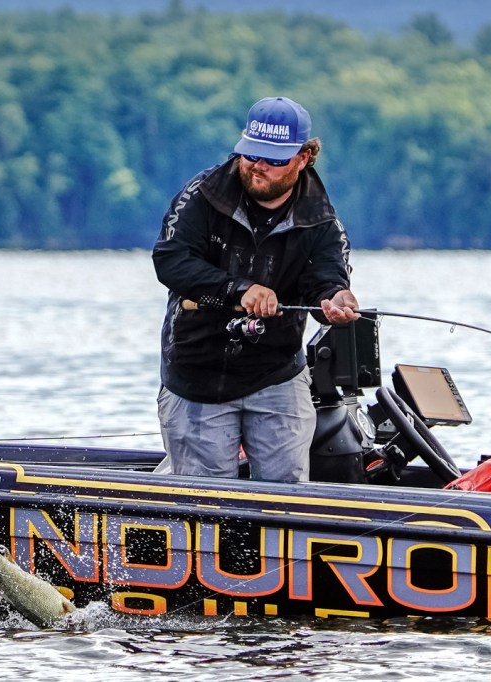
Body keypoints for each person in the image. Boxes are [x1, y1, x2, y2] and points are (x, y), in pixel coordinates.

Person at [152, 96, 360, 483]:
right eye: (250, 154)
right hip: (196, 373)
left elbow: (327, 279)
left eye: (273, 159)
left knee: (287, 499)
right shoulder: (202, 194)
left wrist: (336, 299)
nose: (258, 166)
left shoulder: (322, 220)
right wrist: (238, 290)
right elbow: (170, 260)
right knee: (207, 504)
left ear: (304, 157)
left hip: (277, 374)